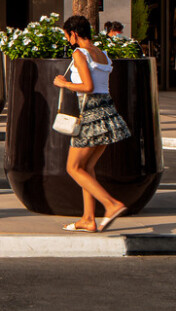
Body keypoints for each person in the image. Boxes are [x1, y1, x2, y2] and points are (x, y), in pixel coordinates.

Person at [50, 15, 129, 233]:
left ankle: (111, 204)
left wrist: (64, 84)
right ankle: (88, 218)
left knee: (73, 168)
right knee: (87, 168)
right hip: (108, 114)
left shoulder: (79, 53)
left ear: (73, 34)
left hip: (91, 115)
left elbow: (87, 86)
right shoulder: (102, 54)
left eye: (67, 35)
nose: (68, 40)